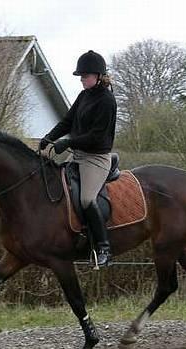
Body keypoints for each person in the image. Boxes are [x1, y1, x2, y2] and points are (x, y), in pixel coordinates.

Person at [40, 50, 117, 267]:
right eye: (81, 76)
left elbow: (97, 136)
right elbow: (67, 121)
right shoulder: (84, 96)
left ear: (98, 76)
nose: (82, 79)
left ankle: (104, 248)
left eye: (85, 76)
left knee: (86, 199)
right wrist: (49, 138)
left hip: (96, 159)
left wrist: (68, 143)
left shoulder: (107, 100)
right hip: (78, 153)